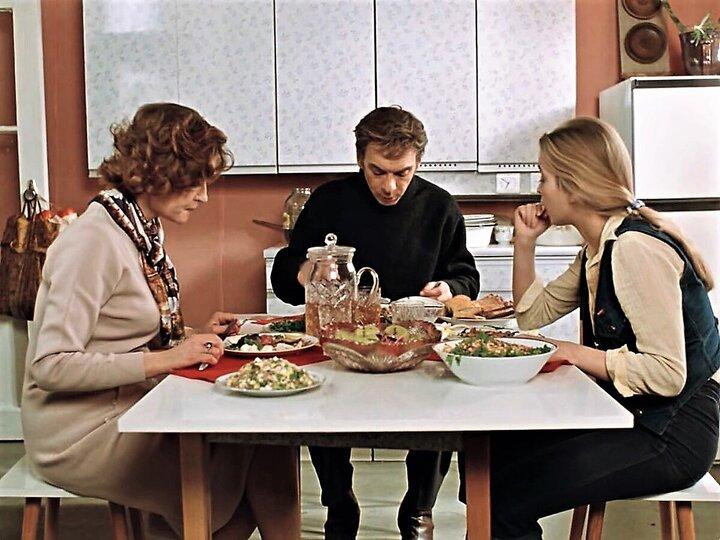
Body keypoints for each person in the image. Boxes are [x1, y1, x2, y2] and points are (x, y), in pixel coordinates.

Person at [21, 103, 300, 538]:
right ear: (156, 173)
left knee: (269, 440)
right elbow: (50, 366)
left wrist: (194, 334)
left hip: (130, 402)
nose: (204, 196)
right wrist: (168, 359)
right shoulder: (93, 241)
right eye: (195, 181)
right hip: (78, 431)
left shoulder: (140, 227)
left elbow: (121, 333)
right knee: (249, 453)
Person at [460, 117, 719, 539]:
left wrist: (572, 352)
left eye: (544, 178)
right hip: (632, 414)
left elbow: (667, 375)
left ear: (573, 186)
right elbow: (533, 314)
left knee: (506, 496)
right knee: (490, 459)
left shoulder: (634, 250)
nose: (539, 190)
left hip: (671, 432)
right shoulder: (597, 248)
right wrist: (525, 243)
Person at [271, 106, 480, 539]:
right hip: (340, 339)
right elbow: (285, 275)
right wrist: (308, 272)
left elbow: (466, 276)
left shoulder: (439, 206)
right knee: (324, 412)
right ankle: (339, 505)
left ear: (419, 162)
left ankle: (418, 510)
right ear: (359, 160)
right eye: (377, 171)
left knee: (437, 412)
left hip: (414, 339)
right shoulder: (329, 201)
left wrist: (448, 288)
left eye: (402, 173)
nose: (389, 186)